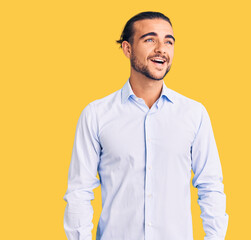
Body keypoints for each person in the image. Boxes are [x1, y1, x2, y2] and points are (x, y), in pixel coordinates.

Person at [63, 11, 229, 240]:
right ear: (127, 49)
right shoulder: (96, 115)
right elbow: (79, 192)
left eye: (168, 41)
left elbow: (211, 187)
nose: (162, 48)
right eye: (150, 39)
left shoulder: (194, 114)